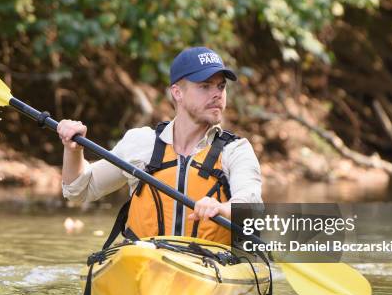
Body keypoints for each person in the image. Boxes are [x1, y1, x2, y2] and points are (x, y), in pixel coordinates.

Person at [57, 47, 262, 245]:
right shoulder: (140, 143)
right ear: (177, 92)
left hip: (211, 267)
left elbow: (251, 205)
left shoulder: (236, 150)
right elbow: (78, 191)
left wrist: (224, 209)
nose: (217, 94)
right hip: (146, 264)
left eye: (221, 86)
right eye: (205, 86)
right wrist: (73, 150)